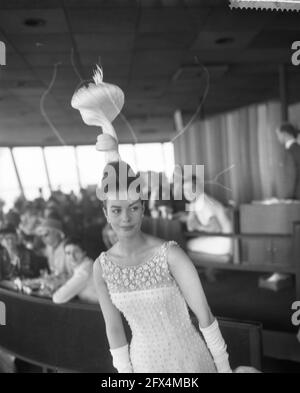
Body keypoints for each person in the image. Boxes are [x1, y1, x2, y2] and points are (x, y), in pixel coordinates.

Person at [93, 161, 232, 373]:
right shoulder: (101, 267)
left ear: (142, 209)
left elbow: (205, 315)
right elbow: (113, 329)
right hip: (143, 363)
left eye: (133, 208)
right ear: (105, 213)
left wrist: (224, 368)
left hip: (189, 361)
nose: (125, 218)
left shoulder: (171, 255)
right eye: (116, 210)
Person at [183, 176, 233, 257]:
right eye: (184, 190)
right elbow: (190, 226)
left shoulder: (203, 203)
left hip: (223, 242)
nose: (186, 193)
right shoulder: (199, 201)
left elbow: (216, 228)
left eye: (190, 189)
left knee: (186, 245)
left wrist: (198, 227)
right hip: (225, 239)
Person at [52, 237, 98, 304]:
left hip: (98, 310)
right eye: (68, 253)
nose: (72, 256)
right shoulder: (86, 265)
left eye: (76, 251)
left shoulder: (85, 271)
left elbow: (58, 298)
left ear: (84, 252)